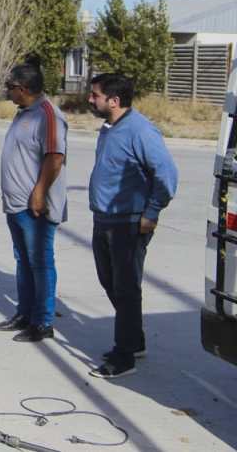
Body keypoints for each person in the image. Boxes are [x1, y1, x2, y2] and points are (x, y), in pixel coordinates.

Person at [87, 73, 177, 378]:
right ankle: (134, 340)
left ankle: (124, 356)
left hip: (128, 223)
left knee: (125, 288)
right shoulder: (110, 128)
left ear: (114, 101)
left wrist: (151, 212)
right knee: (109, 281)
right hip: (104, 220)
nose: (90, 99)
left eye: (95, 95)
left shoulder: (141, 131)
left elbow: (166, 174)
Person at [0, 58, 68, 343]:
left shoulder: (47, 115)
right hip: (16, 205)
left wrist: (38, 193)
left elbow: (55, 157)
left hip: (34, 207)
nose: (7, 92)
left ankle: (43, 321)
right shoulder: (25, 112)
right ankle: (25, 314)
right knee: (23, 261)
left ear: (22, 88)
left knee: (40, 262)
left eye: (10, 87)